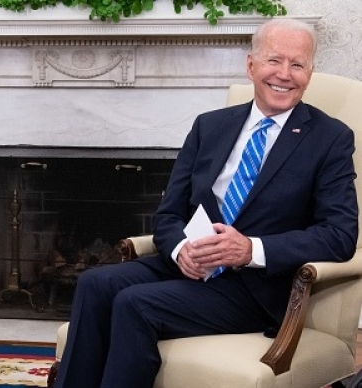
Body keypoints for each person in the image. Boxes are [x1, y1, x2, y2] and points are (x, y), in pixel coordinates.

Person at [54, 18, 358, 388]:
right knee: (94, 284)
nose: (285, 74)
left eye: (298, 64)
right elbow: (169, 213)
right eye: (274, 61)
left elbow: (340, 235)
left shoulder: (329, 138)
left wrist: (250, 250)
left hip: (253, 288)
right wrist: (181, 248)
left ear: (310, 73)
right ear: (251, 66)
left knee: (135, 304)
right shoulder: (209, 126)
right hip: (190, 268)